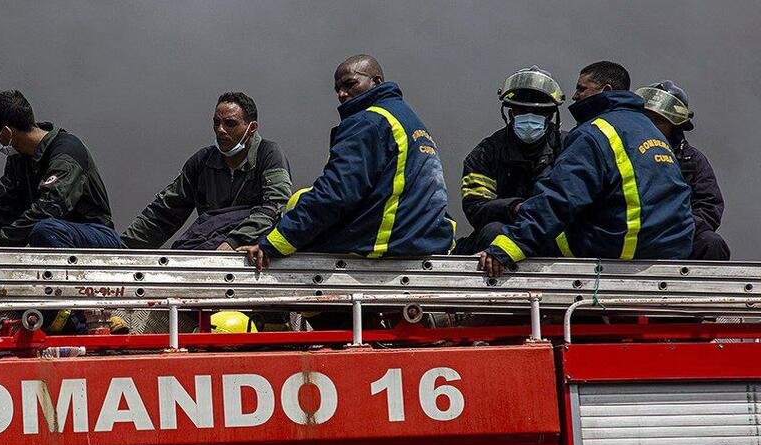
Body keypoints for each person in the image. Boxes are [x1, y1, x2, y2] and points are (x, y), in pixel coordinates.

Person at [239, 54, 455, 270]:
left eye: (350, 84)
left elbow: (335, 193)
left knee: (297, 202)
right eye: (338, 89)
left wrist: (274, 244)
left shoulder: (368, 122)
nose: (342, 94)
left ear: (376, 82)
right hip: (424, 239)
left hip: (388, 241)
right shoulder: (409, 120)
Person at [479, 61, 693, 276]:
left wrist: (509, 247)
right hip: (672, 250)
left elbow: (560, 198)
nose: (574, 96)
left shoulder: (595, 133)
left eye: (582, 88)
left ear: (606, 90)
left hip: (622, 248)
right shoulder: (648, 129)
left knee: (504, 235)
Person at [122, 92, 292, 251]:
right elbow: (164, 213)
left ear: (252, 127)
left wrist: (233, 241)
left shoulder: (268, 154)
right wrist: (120, 249)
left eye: (230, 123)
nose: (221, 129)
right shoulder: (202, 161)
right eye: (216, 122)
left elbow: (276, 207)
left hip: (252, 251)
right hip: (209, 248)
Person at [0, 90, 122, 250]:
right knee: (42, 231)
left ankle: (67, 275)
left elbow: (49, 207)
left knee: (45, 230)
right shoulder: (18, 161)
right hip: (53, 233)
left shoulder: (66, 152)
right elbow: (3, 209)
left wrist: (0, 243)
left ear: (7, 132)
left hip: (95, 235)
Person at [454, 67, 567, 255]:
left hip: (552, 232)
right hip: (503, 231)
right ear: (511, 112)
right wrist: (513, 207)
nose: (530, 117)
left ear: (550, 114)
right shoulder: (486, 152)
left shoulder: (569, 148)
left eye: (538, 111)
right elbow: (476, 207)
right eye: (522, 109)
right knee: (492, 233)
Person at [636, 81, 730, 260]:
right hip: (629, 233)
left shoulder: (692, 160)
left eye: (657, 120)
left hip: (677, 234)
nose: (649, 126)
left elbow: (708, 205)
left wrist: (679, 226)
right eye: (644, 118)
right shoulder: (621, 150)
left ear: (675, 125)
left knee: (712, 244)